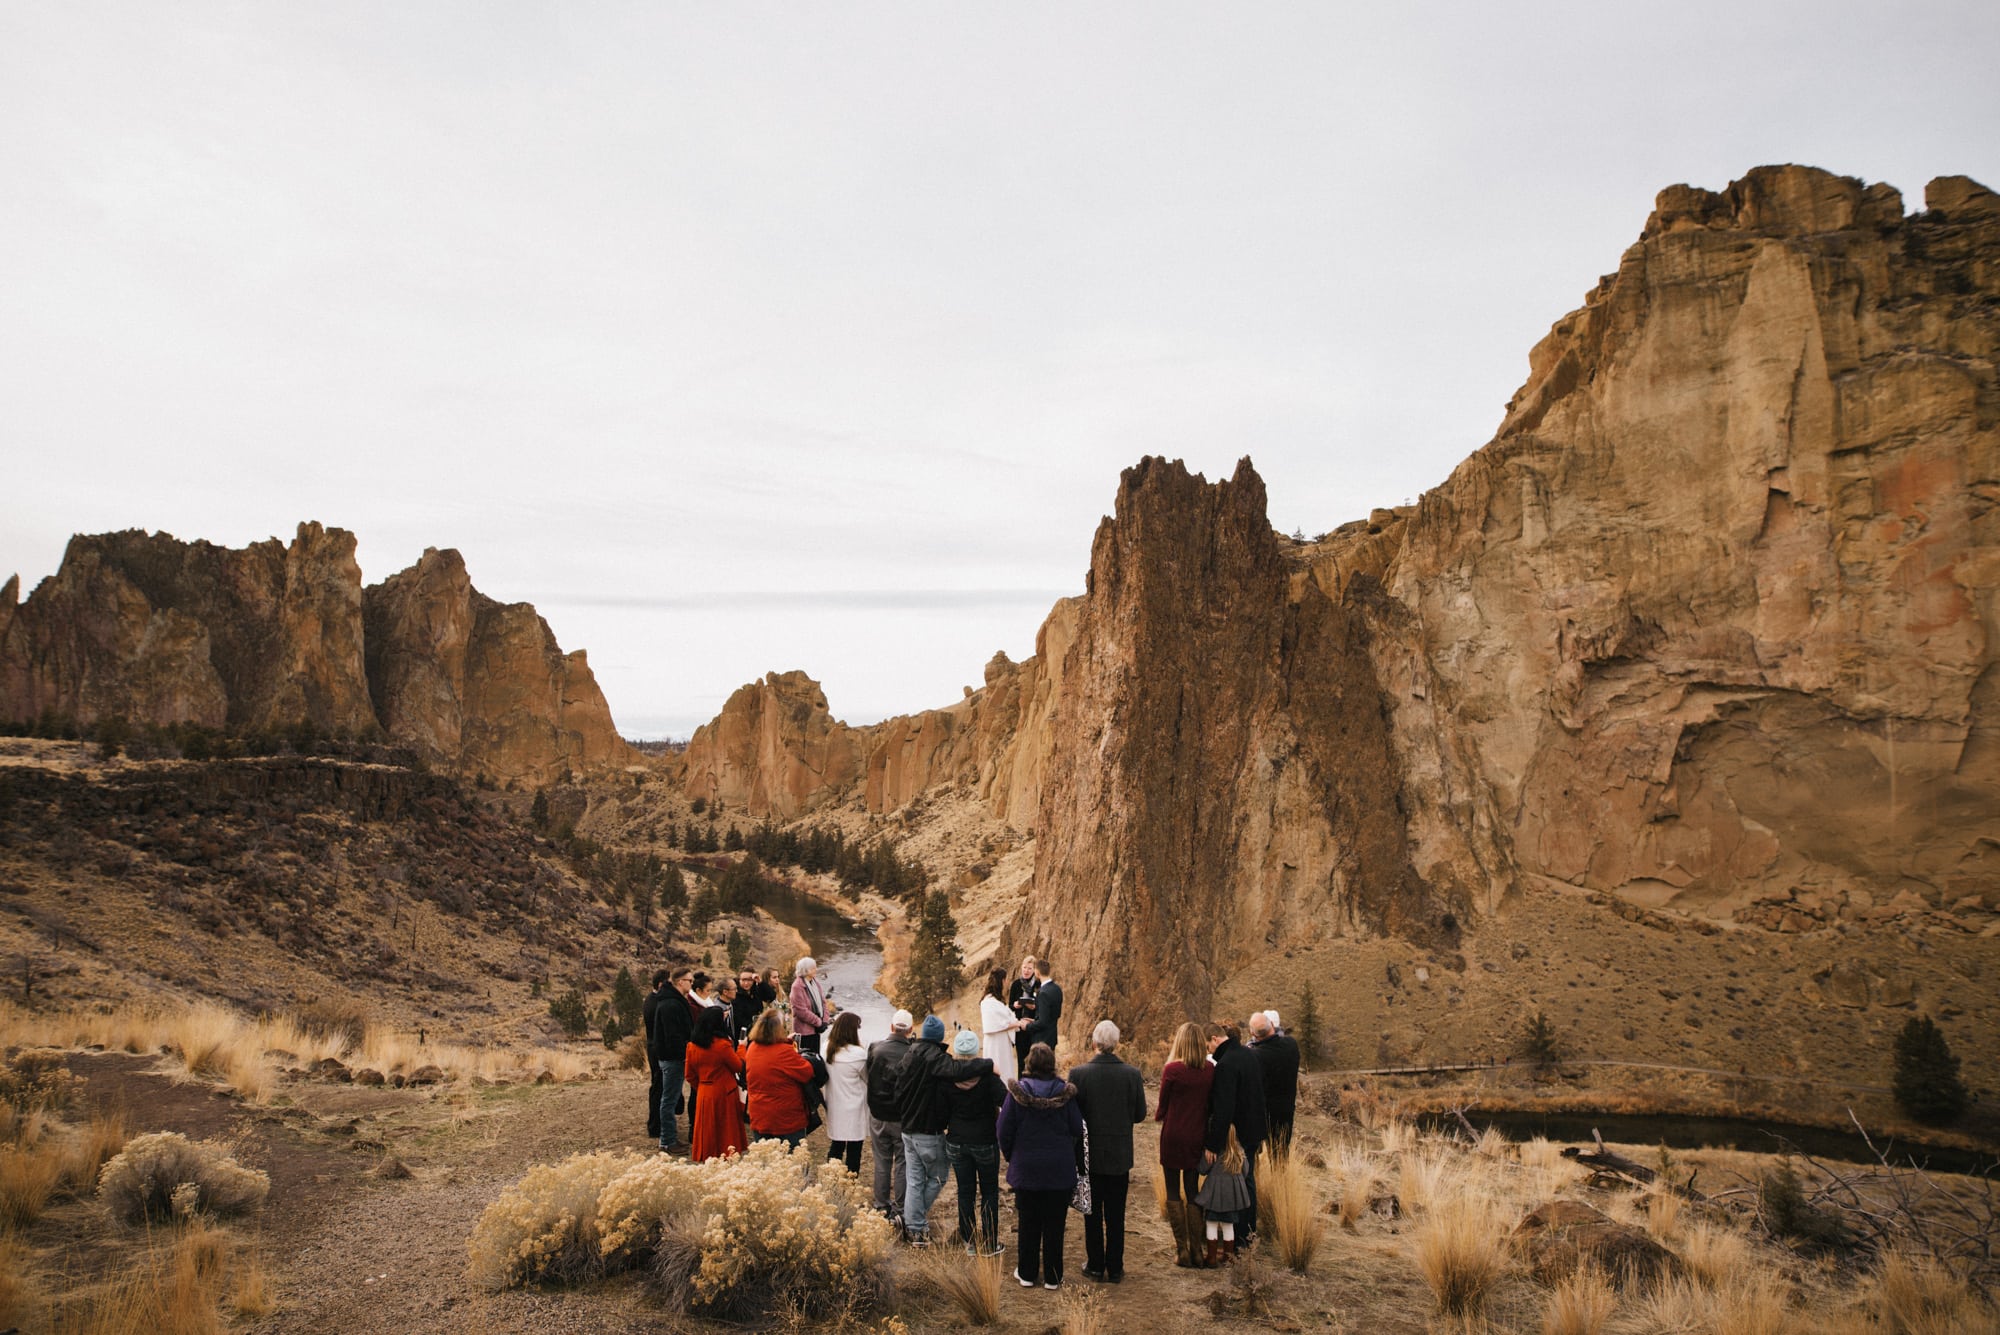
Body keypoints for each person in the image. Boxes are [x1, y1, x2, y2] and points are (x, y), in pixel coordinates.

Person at [897, 1016, 992, 1243]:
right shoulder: (934, 1057)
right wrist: (988, 1064)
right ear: (939, 1037)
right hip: (927, 1130)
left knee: (915, 1179)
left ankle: (912, 1225)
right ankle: (915, 1223)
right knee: (939, 1177)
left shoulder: (910, 1053)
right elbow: (956, 1069)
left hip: (907, 1129)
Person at [997, 1042, 1083, 1290]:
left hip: (1026, 1169)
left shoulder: (1017, 1095)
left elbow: (1003, 1131)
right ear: (1052, 1065)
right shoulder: (1065, 1095)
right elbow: (1077, 1128)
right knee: (1055, 1223)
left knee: (1028, 1222)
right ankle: (1053, 1277)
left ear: (1028, 1064)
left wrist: (1012, 1156)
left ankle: (1027, 1273)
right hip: (1059, 1169)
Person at [1068, 1020, 1147, 1283]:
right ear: (1116, 1043)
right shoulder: (1132, 1074)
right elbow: (1139, 1114)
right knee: (1116, 1213)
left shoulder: (1078, 1075)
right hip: (1119, 1153)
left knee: (1092, 1212)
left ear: (1094, 1043)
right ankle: (1115, 1267)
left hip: (1089, 1154)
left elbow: (1073, 1117)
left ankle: (1095, 1264)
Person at [1203, 1021, 1268, 1249]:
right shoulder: (1249, 1055)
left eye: (1207, 1045)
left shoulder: (1226, 1065)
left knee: (1241, 1183)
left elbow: (1224, 1110)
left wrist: (1213, 1144)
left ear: (1214, 1038)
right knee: (1248, 1180)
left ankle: (1240, 1238)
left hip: (1240, 1134)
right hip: (1255, 1130)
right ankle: (1248, 1234)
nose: (1208, 1051)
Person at [1156, 1021, 1215, 1268]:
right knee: (1192, 1191)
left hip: (1173, 1135)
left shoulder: (1172, 1070)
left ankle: (1181, 1251)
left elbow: (1161, 1108)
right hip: (1196, 1136)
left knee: (1172, 1191)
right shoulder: (1210, 1070)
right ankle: (1198, 1251)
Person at [944, 1028, 1007, 1254]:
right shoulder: (988, 1078)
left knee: (965, 1191)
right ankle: (989, 1243)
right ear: (975, 1051)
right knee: (989, 1191)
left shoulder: (947, 1077)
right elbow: (1006, 1102)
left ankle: (970, 1241)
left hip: (957, 1141)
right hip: (985, 1141)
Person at [866, 1010, 915, 1222]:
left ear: (892, 1027)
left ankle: (880, 1206)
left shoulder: (875, 1048)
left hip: (878, 1114)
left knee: (881, 1161)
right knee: (903, 1163)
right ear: (910, 1030)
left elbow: (869, 1075)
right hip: (902, 1117)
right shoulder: (913, 1053)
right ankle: (901, 1209)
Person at [685, 1004, 748, 1162]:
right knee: (726, 1131)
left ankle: (708, 1156)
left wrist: (702, 1087)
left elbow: (689, 1075)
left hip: (704, 1092)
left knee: (708, 1131)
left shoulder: (692, 1046)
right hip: (725, 1092)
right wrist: (741, 1047)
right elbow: (738, 1065)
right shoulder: (722, 1045)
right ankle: (726, 1157)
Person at [744, 1008, 815, 1147]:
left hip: (760, 1114)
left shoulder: (752, 1048)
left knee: (766, 1160)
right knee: (792, 1160)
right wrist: (789, 1045)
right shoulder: (784, 1052)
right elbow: (807, 1072)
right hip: (785, 1118)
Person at [649, 966, 695, 1154]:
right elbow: (672, 1036)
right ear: (679, 982)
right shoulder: (670, 1004)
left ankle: (668, 1139)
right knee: (668, 1100)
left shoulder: (673, 1001)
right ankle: (667, 1141)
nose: (691, 984)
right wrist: (684, 1053)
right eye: (689, 981)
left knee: (670, 1098)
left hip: (673, 1057)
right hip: (672, 1058)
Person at [1194, 1127, 1252, 1263]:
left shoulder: (1214, 1151)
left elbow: (1202, 1169)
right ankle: (1228, 1257)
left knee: (1211, 1223)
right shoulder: (1239, 1151)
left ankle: (1211, 1257)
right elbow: (1246, 1171)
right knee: (1228, 1225)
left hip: (1213, 1194)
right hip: (1232, 1196)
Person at [1248, 1011, 1301, 1152]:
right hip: (1286, 1110)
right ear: (1272, 1025)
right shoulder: (1291, 1045)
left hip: (1263, 1114)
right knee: (1281, 1155)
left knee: (1253, 1155)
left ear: (1253, 1034)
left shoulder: (1255, 1056)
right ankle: (1282, 1175)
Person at [824, 1011, 869, 1173]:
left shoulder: (826, 1050)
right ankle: (850, 1183)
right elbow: (868, 1079)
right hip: (854, 1106)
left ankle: (830, 1179)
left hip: (835, 1104)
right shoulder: (859, 1055)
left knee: (836, 1146)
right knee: (854, 1151)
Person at [642, 968, 672, 1141]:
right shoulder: (656, 1003)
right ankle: (655, 1126)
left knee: (658, 1086)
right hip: (657, 1050)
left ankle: (656, 1124)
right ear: (661, 984)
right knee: (658, 1087)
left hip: (654, 1048)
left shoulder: (652, 999)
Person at [979, 967, 1023, 1083]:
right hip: (995, 1042)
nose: (1008, 982)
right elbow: (996, 1024)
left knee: (1005, 1068)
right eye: (1006, 979)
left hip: (1002, 1041)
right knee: (998, 1069)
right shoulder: (988, 1002)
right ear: (1002, 981)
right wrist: (1018, 1023)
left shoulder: (996, 1001)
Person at [1021, 958, 1062, 1057]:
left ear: (1037, 972)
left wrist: (1027, 1026)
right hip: (1052, 1037)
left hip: (1042, 1041)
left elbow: (1043, 1022)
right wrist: (1034, 1020)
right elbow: (1055, 1014)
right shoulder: (1057, 989)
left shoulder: (1043, 993)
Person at [789, 957, 829, 1055]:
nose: (816, 969)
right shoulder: (797, 986)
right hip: (804, 1033)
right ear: (805, 970)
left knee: (816, 1057)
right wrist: (819, 1022)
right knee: (806, 1058)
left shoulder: (815, 982)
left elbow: (823, 1002)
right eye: (813, 968)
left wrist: (825, 1020)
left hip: (816, 1031)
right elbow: (801, 1011)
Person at [1007, 956, 1040, 1068]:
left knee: (1034, 1060)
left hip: (1033, 1027)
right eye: (1024, 967)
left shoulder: (1038, 984)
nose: (1026, 971)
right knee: (1021, 1061)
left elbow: (1042, 1007)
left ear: (1034, 970)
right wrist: (1015, 1005)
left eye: (1029, 968)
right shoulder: (1016, 984)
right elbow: (1010, 1006)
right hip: (1019, 1027)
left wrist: (1034, 1007)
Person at [730, 969, 762, 1041]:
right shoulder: (735, 996)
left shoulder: (755, 992)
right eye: (743, 980)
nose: (746, 983)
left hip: (756, 1032)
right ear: (739, 980)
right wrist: (754, 1026)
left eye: (750, 980)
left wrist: (761, 982)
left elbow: (771, 996)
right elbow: (738, 1019)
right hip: (742, 1035)